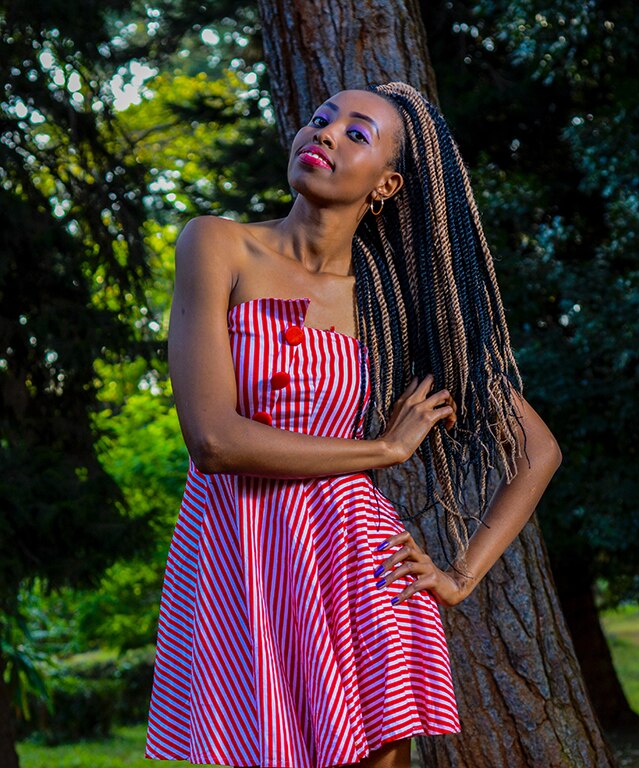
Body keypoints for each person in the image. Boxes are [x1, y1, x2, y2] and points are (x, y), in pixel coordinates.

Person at [144, 81, 562, 768]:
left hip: (358, 573)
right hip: (240, 563)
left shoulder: (395, 315)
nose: (326, 133)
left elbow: (537, 452)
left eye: (356, 133)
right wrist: (383, 447)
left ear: (388, 184)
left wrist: (457, 577)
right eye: (320, 119)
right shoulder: (218, 246)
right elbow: (214, 441)